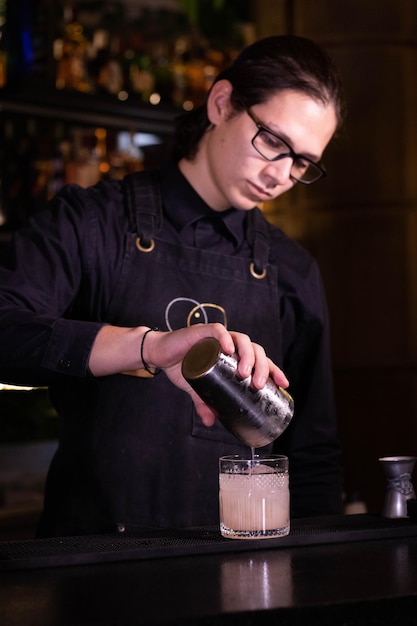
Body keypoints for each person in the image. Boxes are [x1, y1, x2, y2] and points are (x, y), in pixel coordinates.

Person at [0, 35, 345, 537]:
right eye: (274, 142)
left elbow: (313, 457)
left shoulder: (293, 271)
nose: (281, 175)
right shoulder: (93, 222)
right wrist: (149, 348)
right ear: (221, 103)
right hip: (93, 573)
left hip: (241, 575)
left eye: (303, 163)